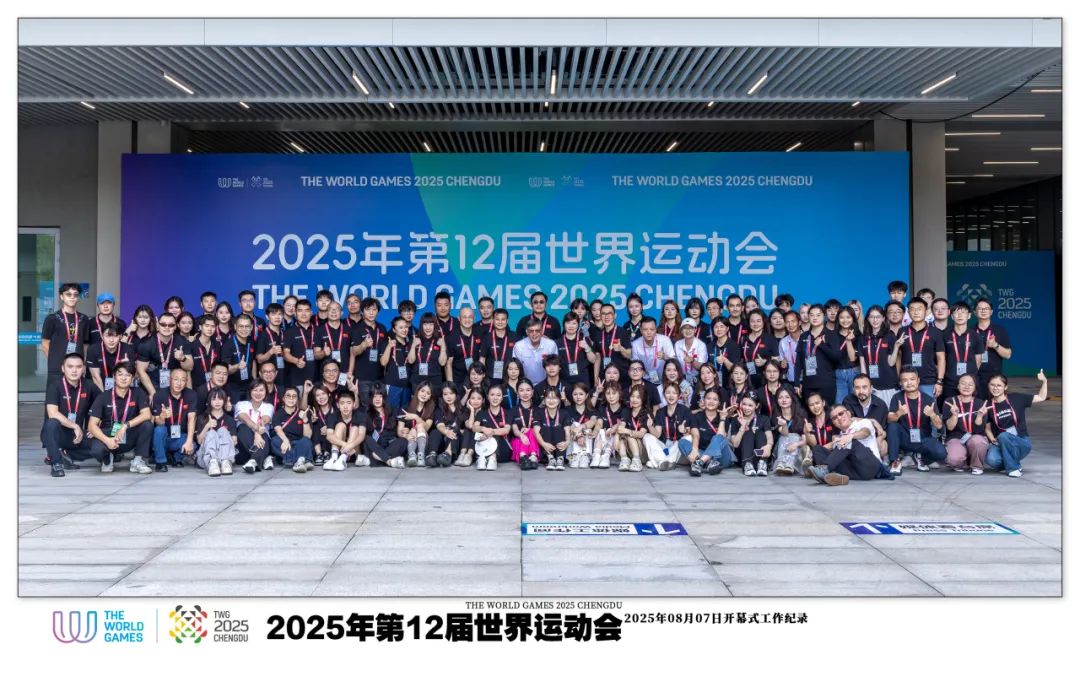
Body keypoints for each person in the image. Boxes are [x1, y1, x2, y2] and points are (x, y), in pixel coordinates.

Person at [86, 362, 153, 474]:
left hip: (128, 434)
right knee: (96, 449)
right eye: (120, 374)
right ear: (114, 377)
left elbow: (147, 414)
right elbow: (91, 425)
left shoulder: (138, 393)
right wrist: (107, 440)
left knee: (147, 425)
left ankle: (138, 460)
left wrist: (125, 425)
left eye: (128, 375)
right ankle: (107, 459)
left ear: (132, 378)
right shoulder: (103, 396)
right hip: (109, 435)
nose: (124, 378)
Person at [41, 353, 101, 476]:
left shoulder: (89, 385)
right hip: (58, 434)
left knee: (103, 447)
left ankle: (64, 454)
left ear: (83, 369)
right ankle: (56, 463)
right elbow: (52, 413)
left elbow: (104, 403)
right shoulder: (55, 386)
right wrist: (75, 426)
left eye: (78, 367)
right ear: (63, 368)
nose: (74, 370)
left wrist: (96, 424)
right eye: (70, 367)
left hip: (77, 436)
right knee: (51, 423)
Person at [984, 370, 1048, 478]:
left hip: (1021, 440)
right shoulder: (987, 405)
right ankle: (1014, 463)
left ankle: (1012, 469)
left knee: (1004, 435)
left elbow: (1041, 397)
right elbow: (987, 428)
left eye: (999, 385)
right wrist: (992, 439)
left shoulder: (1016, 398)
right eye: (992, 385)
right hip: (1001, 443)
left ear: (1005, 387)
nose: (995, 388)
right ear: (988, 386)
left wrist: (1044, 381)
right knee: (991, 460)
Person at [806, 405, 891, 486]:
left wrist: (850, 436)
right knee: (817, 449)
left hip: (871, 466)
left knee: (849, 441)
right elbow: (826, 448)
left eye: (841, 413)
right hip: (854, 471)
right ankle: (835, 477)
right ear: (833, 423)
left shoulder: (863, 423)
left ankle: (825, 470)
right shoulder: (840, 436)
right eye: (834, 418)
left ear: (849, 413)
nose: (839, 418)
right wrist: (810, 455)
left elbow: (865, 432)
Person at [886, 368, 947, 475]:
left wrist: (932, 415)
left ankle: (922, 459)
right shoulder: (897, 397)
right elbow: (889, 420)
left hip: (923, 440)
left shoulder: (928, 399)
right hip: (905, 439)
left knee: (941, 453)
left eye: (912, 379)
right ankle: (894, 461)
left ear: (918, 380)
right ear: (901, 383)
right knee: (893, 426)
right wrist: (899, 413)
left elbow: (939, 426)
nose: (909, 383)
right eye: (905, 380)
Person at [40, 282, 90, 393]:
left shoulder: (84, 319)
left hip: (76, 368)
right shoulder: (52, 318)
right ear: (62, 297)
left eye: (75, 295)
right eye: (68, 294)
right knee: (55, 399)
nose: (72, 297)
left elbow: (85, 345)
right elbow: (44, 345)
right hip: (57, 369)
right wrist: (56, 363)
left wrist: (83, 364)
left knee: (76, 399)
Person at [678, 389, 735, 476]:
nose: (711, 401)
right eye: (708, 398)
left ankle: (699, 463)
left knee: (718, 437)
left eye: (715, 399)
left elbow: (721, 437)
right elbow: (695, 434)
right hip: (702, 452)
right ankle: (708, 463)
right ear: (703, 400)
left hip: (722, 457)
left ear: (719, 403)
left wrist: (722, 419)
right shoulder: (696, 417)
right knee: (682, 442)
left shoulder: (723, 418)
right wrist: (695, 449)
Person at [135, 312, 192, 398]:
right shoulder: (146, 343)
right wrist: (153, 393)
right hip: (152, 385)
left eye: (171, 325)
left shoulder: (182, 341)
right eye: (163, 324)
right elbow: (141, 371)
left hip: (176, 386)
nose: (167, 327)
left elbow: (189, 367)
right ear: (158, 325)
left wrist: (182, 358)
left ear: (175, 327)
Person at [150, 368, 197, 472]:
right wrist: (162, 416)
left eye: (183, 380)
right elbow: (158, 422)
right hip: (164, 437)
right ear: (169, 380)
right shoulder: (159, 395)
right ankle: (161, 462)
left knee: (192, 444)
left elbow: (192, 418)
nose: (179, 383)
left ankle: (176, 458)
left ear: (186, 382)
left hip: (179, 436)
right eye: (176, 379)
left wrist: (189, 441)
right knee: (159, 430)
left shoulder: (191, 395)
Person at [943, 373, 990, 474]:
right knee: (953, 460)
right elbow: (950, 428)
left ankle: (977, 466)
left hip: (975, 436)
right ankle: (962, 461)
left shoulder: (980, 403)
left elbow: (979, 430)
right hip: (956, 437)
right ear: (958, 386)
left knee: (978, 441)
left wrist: (980, 416)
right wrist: (954, 415)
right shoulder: (949, 402)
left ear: (975, 387)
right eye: (963, 383)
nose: (966, 386)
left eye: (970, 384)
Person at [898, 298, 945, 401]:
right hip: (906, 380)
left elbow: (941, 358)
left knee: (928, 409)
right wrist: (898, 378)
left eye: (919, 309)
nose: (916, 312)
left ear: (926, 311)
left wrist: (939, 381)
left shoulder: (935, 332)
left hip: (928, 381)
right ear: (908, 312)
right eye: (912, 309)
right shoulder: (902, 331)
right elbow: (899, 357)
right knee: (906, 409)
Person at [795, 304, 842, 406]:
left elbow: (837, 358)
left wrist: (822, 345)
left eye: (818, 315)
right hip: (808, 384)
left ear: (824, 316)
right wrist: (797, 383)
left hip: (826, 383)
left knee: (827, 412)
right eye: (812, 315)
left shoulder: (831, 335)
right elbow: (798, 362)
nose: (815, 318)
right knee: (809, 413)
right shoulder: (804, 336)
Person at [348, 298, 388, 406]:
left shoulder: (382, 328)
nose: (371, 313)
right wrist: (363, 345)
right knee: (366, 408)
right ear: (362, 311)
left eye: (374, 310)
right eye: (368, 310)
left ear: (377, 311)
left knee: (379, 407)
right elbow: (354, 352)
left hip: (379, 377)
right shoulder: (357, 328)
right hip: (363, 378)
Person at [942, 301, 985, 399]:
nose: (960, 315)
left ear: (969, 316)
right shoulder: (945, 336)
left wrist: (970, 375)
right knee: (950, 406)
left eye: (963, 312)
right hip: (950, 381)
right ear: (952, 316)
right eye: (956, 312)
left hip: (970, 382)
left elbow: (978, 361)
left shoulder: (976, 336)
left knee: (970, 407)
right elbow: (942, 358)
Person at [860, 305, 900, 405]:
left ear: (883, 318)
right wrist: (865, 384)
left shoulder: (890, 336)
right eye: (872, 317)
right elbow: (862, 364)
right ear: (867, 318)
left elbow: (891, 363)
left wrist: (896, 347)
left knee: (890, 413)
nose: (875, 320)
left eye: (878, 317)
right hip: (872, 386)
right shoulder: (863, 338)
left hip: (889, 384)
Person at [974, 297, 1013, 399]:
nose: (983, 311)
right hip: (974, 376)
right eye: (980, 308)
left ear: (991, 312)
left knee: (993, 405)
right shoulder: (970, 331)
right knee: (976, 405)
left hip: (994, 377)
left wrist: (995, 345)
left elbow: (1008, 355)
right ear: (974, 312)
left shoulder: (1000, 330)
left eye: (986, 308)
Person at [843, 373, 889, 459]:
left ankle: (878, 461)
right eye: (857, 388)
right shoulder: (848, 400)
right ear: (853, 389)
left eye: (864, 387)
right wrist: (872, 421)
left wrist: (879, 439)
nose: (861, 391)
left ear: (871, 388)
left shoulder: (881, 405)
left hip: (873, 439)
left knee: (883, 446)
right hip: (855, 438)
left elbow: (884, 430)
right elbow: (848, 420)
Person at [646, 382, 690, 470]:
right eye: (668, 393)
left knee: (688, 438)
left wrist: (684, 431)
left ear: (679, 395)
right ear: (664, 395)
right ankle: (666, 461)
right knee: (647, 436)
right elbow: (657, 434)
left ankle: (658, 461)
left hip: (677, 447)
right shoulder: (660, 412)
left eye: (674, 393)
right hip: (664, 447)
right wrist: (650, 427)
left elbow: (689, 432)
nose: (671, 396)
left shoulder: (685, 410)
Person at [195, 387, 238, 477]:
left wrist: (220, 441)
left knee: (223, 430)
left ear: (224, 401)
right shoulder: (202, 418)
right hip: (205, 457)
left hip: (225, 457)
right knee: (211, 433)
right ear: (209, 401)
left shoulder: (229, 419)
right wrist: (207, 426)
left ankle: (225, 461)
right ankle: (213, 462)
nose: (217, 402)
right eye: (214, 399)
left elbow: (234, 441)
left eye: (220, 399)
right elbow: (199, 441)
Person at [235, 381, 276, 473]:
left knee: (264, 434)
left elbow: (264, 419)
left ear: (266, 392)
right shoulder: (241, 404)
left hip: (263, 438)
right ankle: (264, 458)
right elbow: (245, 419)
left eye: (261, 390)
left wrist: (258, 433)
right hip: (243, 445)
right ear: (250, 391)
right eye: (255, 390)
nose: (258, 393)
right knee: (243, 428)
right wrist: (257, 432)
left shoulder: (269, 406)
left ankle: (253, 461)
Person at [362, 385, 407, 468]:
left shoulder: (393, 410)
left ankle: (378, 459)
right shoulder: (367, 412)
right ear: (371, 398)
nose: (377, 399)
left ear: (384, 398)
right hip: (375, 445)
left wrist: (405, 431)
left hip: (390, 445)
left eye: (380, 396)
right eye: (375, 396)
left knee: (403, 441)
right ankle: (388, 461)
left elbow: (401, 428)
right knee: (365, 438)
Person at [728, 394, 773, 477]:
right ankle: (747, 464)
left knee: (760, 433)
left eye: (750, 405)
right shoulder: (736, 419)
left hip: (760, 455)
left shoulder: (764, 419)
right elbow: (735, 444)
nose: (746, 408)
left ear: (757, 406)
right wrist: (742, 427)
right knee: (748, 431)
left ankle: (762, 463)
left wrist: (769, 446)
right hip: (743, 457)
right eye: (744, 404)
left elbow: (769, 436)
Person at [321, 390, 366, 471]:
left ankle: (343, 459)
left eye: (349, 403)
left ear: (354, 404)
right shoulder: (333, 416)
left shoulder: (360, 415)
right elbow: (329, 436)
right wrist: (346, 445)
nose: (345, 406)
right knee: (340, 425)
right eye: (342, 403)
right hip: (338, 450)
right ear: (338, 405)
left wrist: (350, 446)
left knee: (355, 428)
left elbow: (361, 435)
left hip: (355, 452)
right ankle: (334, 459)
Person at [471, 384, 513, 470]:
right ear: (487, 397)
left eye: (498, 395)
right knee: (476, 435)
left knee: (495, 434)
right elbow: (474, 427)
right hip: (484, 446)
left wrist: (491, 432)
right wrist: (483, 429)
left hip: (502, 450)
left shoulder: (507, 413)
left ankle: (492, 457)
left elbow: (507, 430)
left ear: (502, 397)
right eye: (492, 395)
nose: (495, 398)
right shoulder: (481, 413)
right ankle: (482, 458)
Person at [272, 387, 314, 473]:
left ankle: (290, 460)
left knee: (306, 441)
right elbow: (278, 429)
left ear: (297, 399)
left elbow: (308, 435)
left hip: (299, 443)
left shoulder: (303, 413)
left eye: (294, 396)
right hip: (285, 443)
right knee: (274, 440)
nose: (291, 398)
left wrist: (305, 420)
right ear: (283, 398)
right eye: (288, 396)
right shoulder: (278, 414)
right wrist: (285, 440)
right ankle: (302, 459)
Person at [429, 382, 471, 467]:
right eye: (445, 394)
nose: (449, 397)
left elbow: (467, 425)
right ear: (442, 396)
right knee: (435, 432)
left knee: (454, 430)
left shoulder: (462, 409)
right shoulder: (439, 409)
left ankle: (448, 454)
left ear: (456, 394)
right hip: (442, 442)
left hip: (456, 443)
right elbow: (440, 425)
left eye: (451, 393)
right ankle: (432, 455)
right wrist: (446, 432)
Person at [590, 303, 632, 384]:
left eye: (609, 313)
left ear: (615, 316)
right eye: (603, 314)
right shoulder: (597, 334)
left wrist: (621, 349)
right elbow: (597, 358)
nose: (606, 316)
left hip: (622, 378)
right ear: (600, 316)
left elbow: (629, 355)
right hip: (604, 377)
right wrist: (596, 379)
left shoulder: (623, 332)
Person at [86, 324, 135, 392]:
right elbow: (96, 377)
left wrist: (127, 366)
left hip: (121, 389)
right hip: (100, 388)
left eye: (115, 336)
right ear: (102, 336)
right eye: (108, 336)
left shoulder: (128, 350)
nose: (111, 340)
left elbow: (131, 376)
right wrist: (104, 396)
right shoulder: (93, 349)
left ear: (120, 336)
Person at [283, 299, 318, 394]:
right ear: (295, 313)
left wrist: (322, 353)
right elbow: (285, 354)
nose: (303, 314)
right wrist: (296, 361)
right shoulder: (289, 332)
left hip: (317, 379)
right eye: (300, 310)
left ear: (311, 313)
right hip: (297, 378)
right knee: (299, 403)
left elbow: (321, 353)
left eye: (306, 310)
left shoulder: (318, 330)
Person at [769, 388, 807, 476]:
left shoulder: (801, 414)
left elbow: (804, 440)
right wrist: (784, 424)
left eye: (787, 397)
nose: (784, 400)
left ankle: (789, 463)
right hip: (781, 448)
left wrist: (796, 444)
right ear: (777, 401)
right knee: (784, 437)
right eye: (780, 397)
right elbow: (784, 433)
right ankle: (781, 463)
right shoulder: (776, 416)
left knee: (795, 436)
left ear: (792, 399)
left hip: (798, 447)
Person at [446, 307, 485, 387]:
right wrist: (451, 386)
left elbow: (483, 358)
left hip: (476, 378)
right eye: (464, 317)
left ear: (474, 318)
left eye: (470, 317)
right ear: (459, 318)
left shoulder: (480, 333)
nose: (467, 320)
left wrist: (481, 381)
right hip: (458, 379)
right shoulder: (451, 336)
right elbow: (448, 363)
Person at [616, 384, 652, 472]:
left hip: (642, 450)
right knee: (622, 436)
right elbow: (621, 428)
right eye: (632, 396)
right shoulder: (626, 410)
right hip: (629, 448)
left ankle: (637, 461)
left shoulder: (646, 413)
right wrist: (616, 437)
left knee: (629, 436)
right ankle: (624, 459)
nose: (634, 399)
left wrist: (628, 431)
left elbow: (641, 434)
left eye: (638, 397)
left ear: (643, 399)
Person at [223, 314, 257, 404]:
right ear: (235, 327)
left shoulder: (251, 341)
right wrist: (237, 366)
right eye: (241, 326)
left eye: (247, 326)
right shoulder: (228, 345)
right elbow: (225, 370)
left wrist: (254, 380)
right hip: (233, 388)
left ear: (251, 327)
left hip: (249, 386)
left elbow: (253, 361)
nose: (244, 329)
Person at [630, 316, 675, 386]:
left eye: (652, 329)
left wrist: (665, 357)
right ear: (641, 330)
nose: (649, 332)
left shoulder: (665, 340)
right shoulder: (635, 345)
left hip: (666, 380)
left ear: (656, 329)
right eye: (645, 329)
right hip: (645, 381)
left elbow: (674, 362)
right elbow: (635, 366)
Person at [380, 316, 413, 410]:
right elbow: (383, 363)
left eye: (406, 327)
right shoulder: (388, 343)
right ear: (394, 330)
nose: (404, 330)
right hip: (392, 385)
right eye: (401, 327)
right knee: (392, 413)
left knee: (404, 414)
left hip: (407, 386)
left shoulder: (410, 344)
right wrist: (389, 347)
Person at [512, 318, 558, 385]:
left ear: (542, 331)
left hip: (547, 385)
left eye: (537, 331)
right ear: (527, 332)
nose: (534, 334)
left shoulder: (551, 344)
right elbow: (516, 368)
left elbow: (555, 367)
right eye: (531, 331)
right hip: (525, 385)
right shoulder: (519, 346)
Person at [400, 381, 436, 467]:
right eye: (422, 391)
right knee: (414, 429)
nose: (424, 395)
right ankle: (412, 455)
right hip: (409, 442)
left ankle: (421, 456)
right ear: (417, 391)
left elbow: (426, 427)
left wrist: (416, 417)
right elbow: (399, 431)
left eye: (428, 393)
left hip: (423, 444)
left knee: (419, 426)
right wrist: (406, 435)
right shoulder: (406, 407)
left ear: (430, 397)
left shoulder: (430, 409)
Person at [594, 381, 629, 470]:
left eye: (614, 393)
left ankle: (607, 455)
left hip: (617, 440)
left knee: (617, 432)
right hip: (604, 438)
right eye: (608, 393)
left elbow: (622, 424)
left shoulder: (624, 408)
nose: (611, 396)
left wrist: (614, 428)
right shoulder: (603, 407)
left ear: (619, 394)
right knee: (600, 431)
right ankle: (596, 455)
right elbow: (599, 423)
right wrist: (594, 432)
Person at [565, 382, 600, 469]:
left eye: (581, 394)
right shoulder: (568, 409)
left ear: (586, 395)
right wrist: (578, 434)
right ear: (572, 396)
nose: (578, 397)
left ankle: (585, 456)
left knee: (588, 430)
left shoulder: (591, 409)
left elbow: (593, 421)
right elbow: (569, 426)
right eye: (575, 394)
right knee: (574, 425)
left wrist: (581, 428)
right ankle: (574, 456)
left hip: (586, 440)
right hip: (571, 446)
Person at [534, 388, 570, 471]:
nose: (551, 401)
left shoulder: (564, 413)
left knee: (559, 428)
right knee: (545, 428)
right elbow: (536, 432)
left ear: (559, 400)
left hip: (560, 447)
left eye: (554, 398)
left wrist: (567, 442)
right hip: (545, 448)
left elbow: (567, 431)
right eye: (548, 398)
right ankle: (550, 458)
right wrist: (543, 444)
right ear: (544, 399)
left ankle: (560, 458)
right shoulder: (539, 413)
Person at [316, 302, 354, 381]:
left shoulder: (349, 330)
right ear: (326, 313)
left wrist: (350, 372)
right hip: (327, 374)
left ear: (342, 313)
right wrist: (323, 353)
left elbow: (352, 354)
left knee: (342, 389)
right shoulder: (319, 330)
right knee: (326, 389)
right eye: (330, 309)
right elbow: (316, 355)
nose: (333, 311)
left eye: (336, 309)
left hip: (344, 373)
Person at [557, 312, 596, 388]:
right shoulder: (557, 342)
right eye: (568, 323)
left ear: (578, 325)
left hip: (583, 381)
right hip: (564, 381)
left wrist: (587, 348)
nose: (571, 326)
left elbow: (593, 360)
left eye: (574, 323)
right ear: (564, 324)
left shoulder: (585, 339)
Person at [409, 313, 448, 390]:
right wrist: (413, 345)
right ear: (421, 325)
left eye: (431, 324)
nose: (428, 327)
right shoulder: (415, 339)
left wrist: (443, 346)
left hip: (435, 381)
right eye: (425, 324)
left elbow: (442, 363)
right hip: (417, 381)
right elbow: (410, 361)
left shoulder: (440, 340)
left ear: (435, 326)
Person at [255, 302, 288, 388]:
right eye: (273, 314)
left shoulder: (286, 334)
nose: (277, 317)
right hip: (268, 379)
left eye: (280, 314)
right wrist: (270, 352)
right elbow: (259, 359)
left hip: (285, 377)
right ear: (267, 316)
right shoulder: (263, 336)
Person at [480, 308, 516, 384]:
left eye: (503, 319)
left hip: (510, 378)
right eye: (497, 319)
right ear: (493, 320)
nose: (500, 322)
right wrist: (483, 377)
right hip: (490, 378)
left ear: (507, 321)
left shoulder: (515, 336)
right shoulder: (487, 337)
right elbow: (482, 359)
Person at [740, 310, 775, 389]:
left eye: (758, 321)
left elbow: (777, 359)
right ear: (749, 323)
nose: (755, 324)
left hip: (765, 380)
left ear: (763, 322)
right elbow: (740, 359)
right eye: (752, 321)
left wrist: (765, 361)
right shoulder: (743, 339)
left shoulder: (770, 339)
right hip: (747, 380)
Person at [834, 306, 861, 404]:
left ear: (853, 318)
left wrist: (849, 341)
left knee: (856, 403)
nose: (845, 320)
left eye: (848, 317)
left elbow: (853, 358)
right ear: (838, 319)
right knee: (839, 403)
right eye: (842, 317)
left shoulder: (858, 335)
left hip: (854, 372)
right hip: (838, 373)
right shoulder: (833, 335)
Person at [307, 385, 338, 466]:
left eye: (323, 394)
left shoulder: (336, 410)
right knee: (315, 424)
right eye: (318, 395)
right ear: (315, 398)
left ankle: (327, 453)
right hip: (317, 443)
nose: (321, 397)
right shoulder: (313, 411)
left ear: (329, 395)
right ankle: (319, 454)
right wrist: (311, 422)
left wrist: (329, 428)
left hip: (332, 443)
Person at [707, 318, 739, 388]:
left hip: (730, 385)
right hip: (713, 384)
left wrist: (725, 360)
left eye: (722, 327)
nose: (719, 329)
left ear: (727, 328)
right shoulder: (709, 346)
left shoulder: (734, 346)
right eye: (716, 327)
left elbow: (735, 370)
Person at [190, 315, 221, 388]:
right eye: (207, 326)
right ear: (200, 327)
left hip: (214, 386)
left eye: (213, 326)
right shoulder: (192, 346)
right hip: (196, 387)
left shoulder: (217, 345)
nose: (210, 329)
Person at [674, 318, 708, 384]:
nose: (688, 331)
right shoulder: (677, 344)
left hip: (698, 378)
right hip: (682, 378)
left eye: (691, 328)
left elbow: (702, 367)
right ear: (681, 331)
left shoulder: (701, 345)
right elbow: (675, 364)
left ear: (695, 330)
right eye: (685, 328)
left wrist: (692, 361)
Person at [778, 310, 802, 385]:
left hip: (807, 380)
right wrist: (782, 364)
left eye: (793, 321)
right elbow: (782, 361)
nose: (790, 325)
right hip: (791, 380)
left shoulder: (808, 338)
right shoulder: (783, 342)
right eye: (787, 322)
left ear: (799, 322)